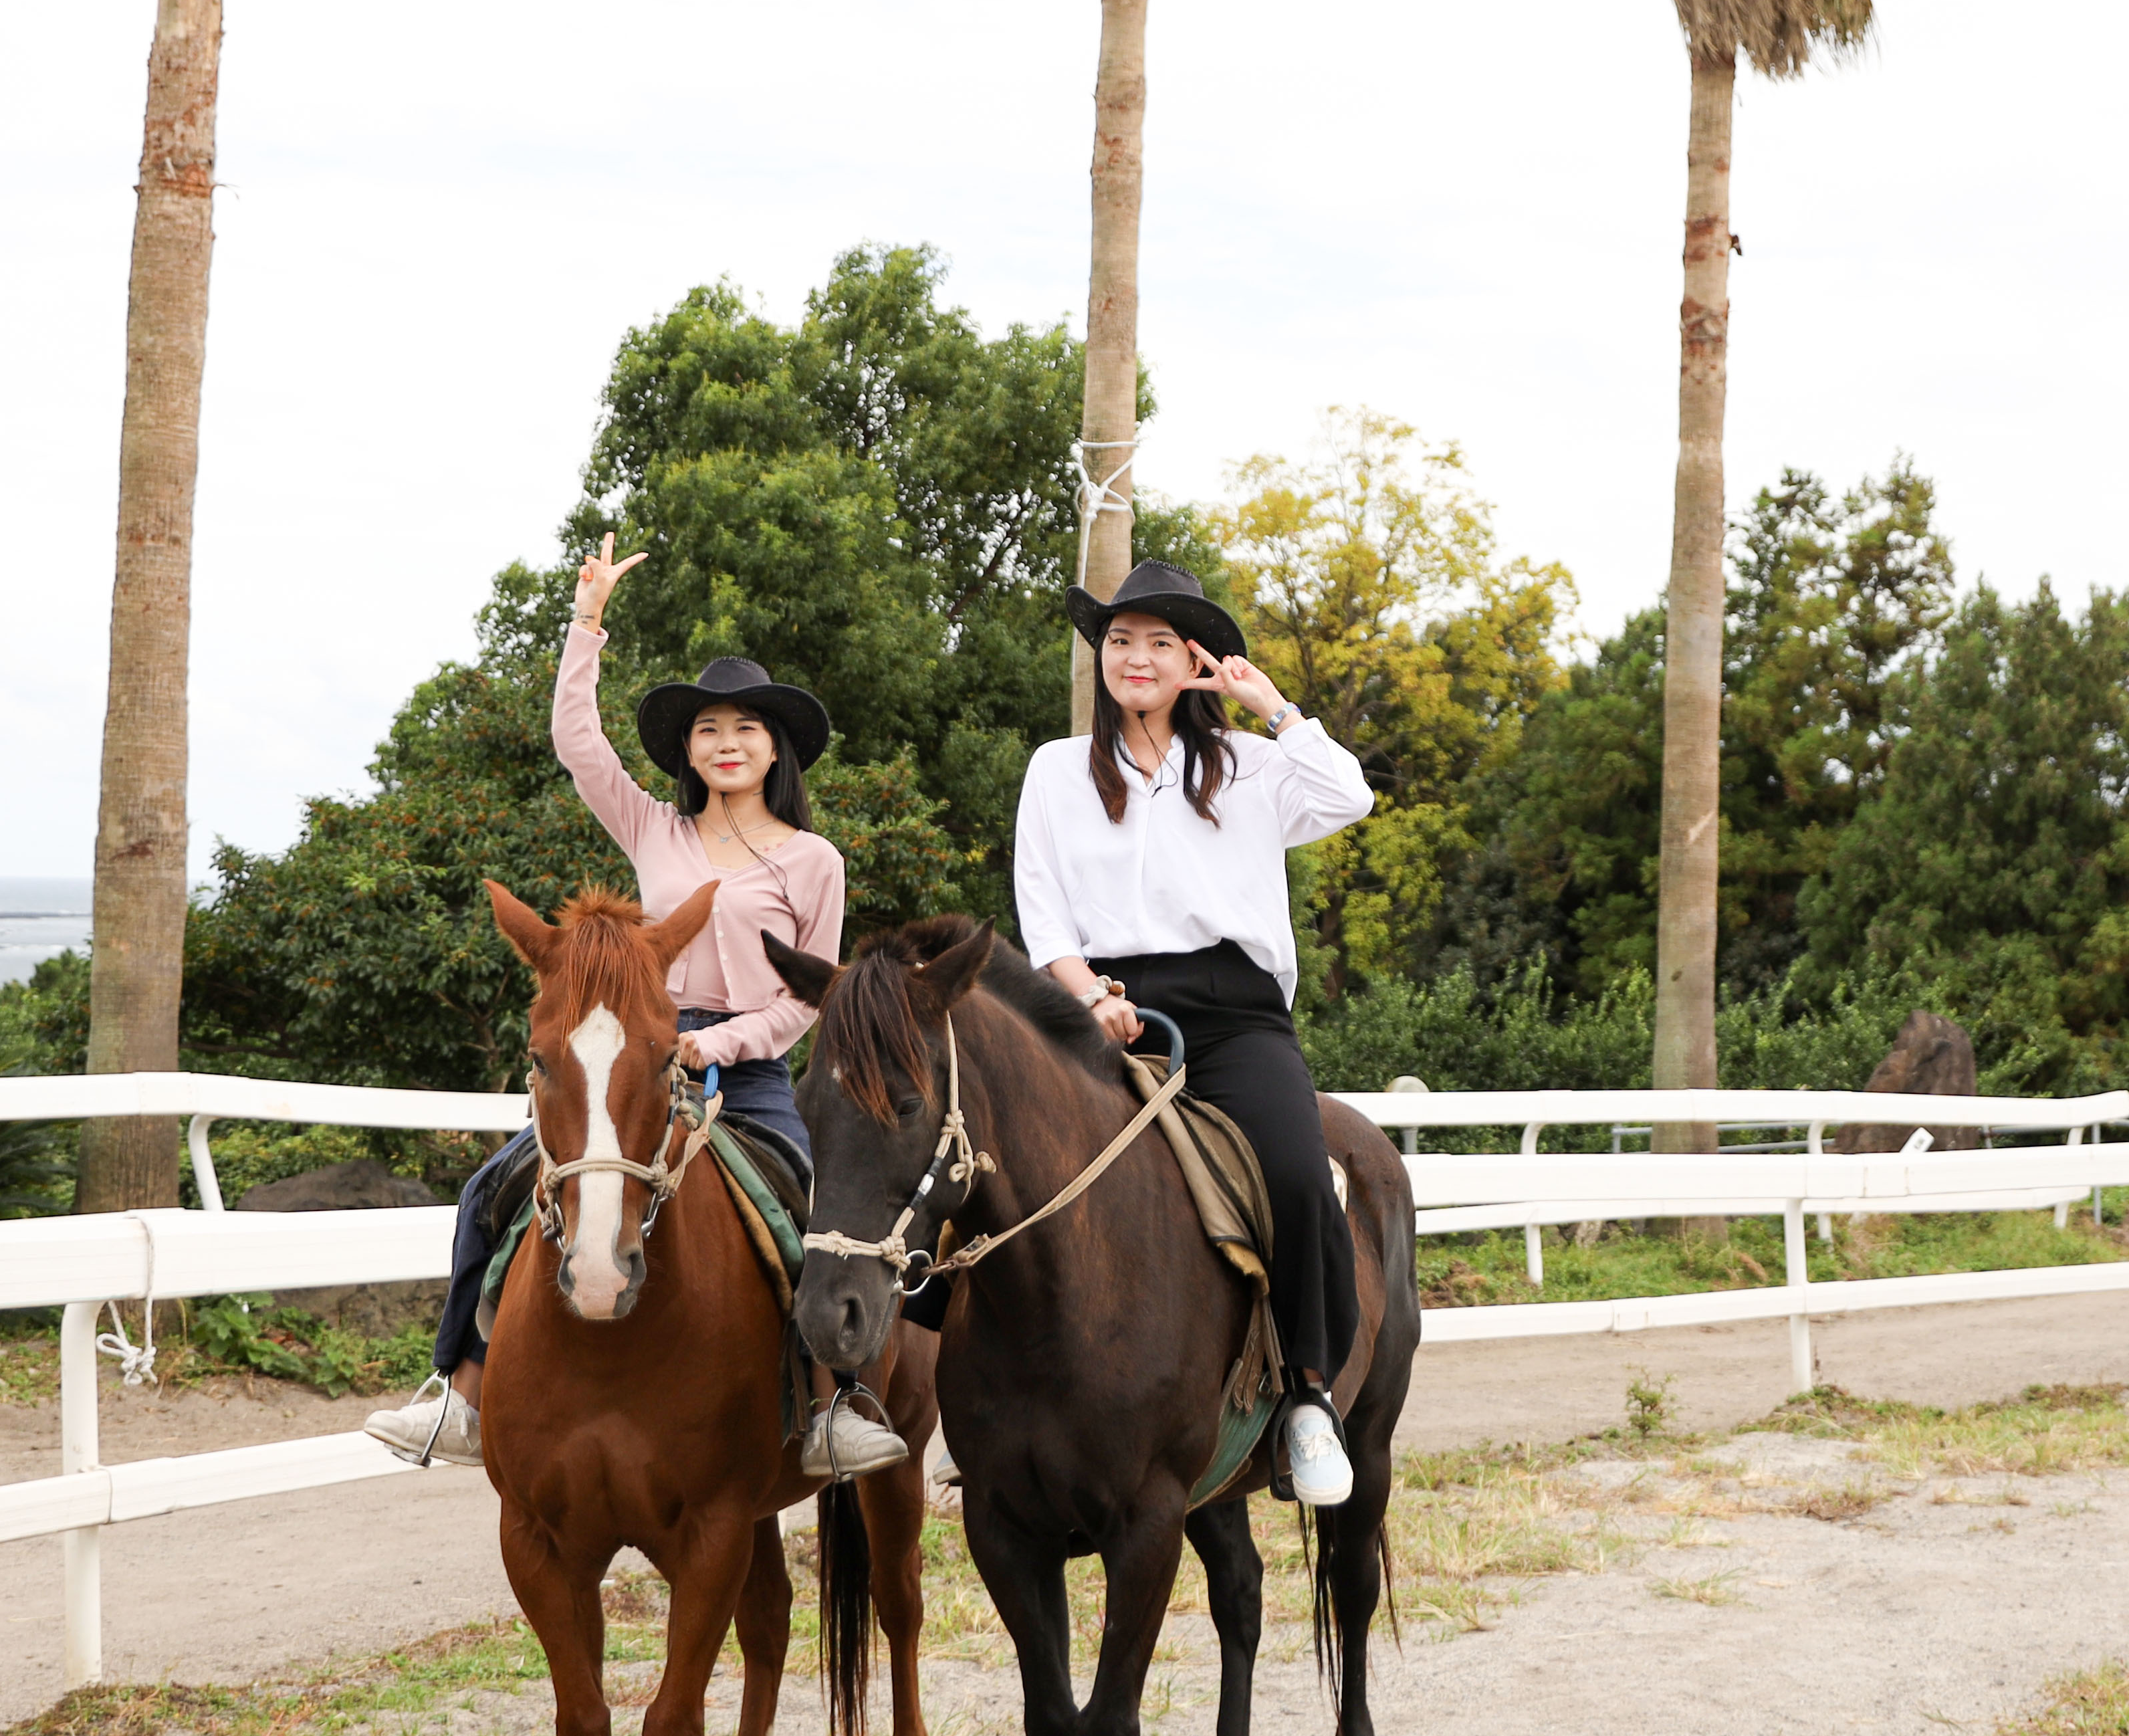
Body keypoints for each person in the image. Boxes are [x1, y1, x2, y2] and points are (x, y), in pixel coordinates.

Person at [366, 533, 897, 1475]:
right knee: (492, 1190)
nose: (726, 744)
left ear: (776, 747)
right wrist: (587, 620)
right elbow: (578, 745)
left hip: (751, 1073)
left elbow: (809, 996)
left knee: (815, 1210)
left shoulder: (816, 860)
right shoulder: (654, 827)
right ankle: (460, 1393)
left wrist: (721, 1047)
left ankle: (832, 1406)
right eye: (708, 730)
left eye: (745, 729)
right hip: (631, 1060)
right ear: (688, 750)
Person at [1010, 562, 1377, 1506]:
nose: (1135, 658)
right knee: (999, 1154)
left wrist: (1271, 706)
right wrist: (1089, 995)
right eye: (1119, 641)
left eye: (1159, 644)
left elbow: (1350, 798)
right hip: (1102, 1005)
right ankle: (974, 1397)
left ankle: (1306, 1397)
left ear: (1193, 663)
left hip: (1233, 1012)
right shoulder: (1057, 769)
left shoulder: (1250, 766)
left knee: (1296, 1174)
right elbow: (1043, 914)